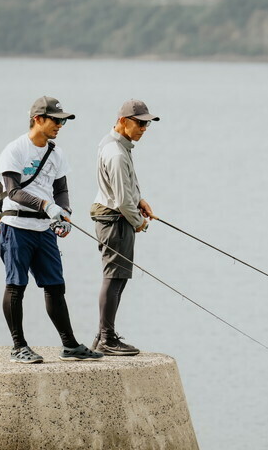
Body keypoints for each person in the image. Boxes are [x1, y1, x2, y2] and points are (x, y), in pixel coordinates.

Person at [0, 96, 103, 363]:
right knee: (16, 285)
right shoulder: (15, 150)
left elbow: (61, 189)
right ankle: (18, 346)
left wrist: (64, 212)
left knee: (55, 286)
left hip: (44, 229)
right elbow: (13, 191)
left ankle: (70, 345)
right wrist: (46, 205)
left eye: (62, 120)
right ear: (38, 119)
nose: (60, 125)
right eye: (56, 120)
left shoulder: (56, 153)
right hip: (17, 226)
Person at [90, 99, 160, 356]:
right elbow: (120, 200)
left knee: (117, 277)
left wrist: (139, 199)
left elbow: (124, 188)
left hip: (114, 217)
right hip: (115, 220)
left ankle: (103, 336)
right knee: (114, 277)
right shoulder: (117, 153)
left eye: (147, 123)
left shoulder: (113, 144)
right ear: (123, 121)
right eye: (140, 123)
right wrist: (139, 222)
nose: (144, 128)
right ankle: (107, 338)